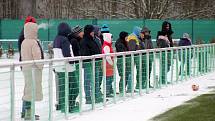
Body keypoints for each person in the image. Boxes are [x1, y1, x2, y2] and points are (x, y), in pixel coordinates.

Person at [19, 16, 43, 120]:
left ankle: (26, 112)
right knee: (30, 91)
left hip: (26, 67)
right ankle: (28, 113)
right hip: (33, 69)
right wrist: (41, 65)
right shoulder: (33, 42)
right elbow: (37, 57)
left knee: (27, 89)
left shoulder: (24, 41)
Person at [53, 22, 79, 113]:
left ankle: (64, 106)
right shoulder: (64, 39)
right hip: (67, 67)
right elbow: (67, 54)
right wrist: (73, 61)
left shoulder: (56, 39)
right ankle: (70, 106)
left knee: (63, 88)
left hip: (59, 67)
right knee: (74, 87)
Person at [80, 25, 103, 104]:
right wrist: (92, 57)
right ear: (89, 32)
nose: (93, 32)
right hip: (89, 63)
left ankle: (96, 96)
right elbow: (85, 53)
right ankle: (88, 97)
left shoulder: (93, 39)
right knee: (88, 80)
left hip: (95, 62)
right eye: (92, 31)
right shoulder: (84, 41)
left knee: (96, 80)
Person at [127, 26, 143, 91]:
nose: (140, 33)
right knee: (130, 73)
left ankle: (130, 87)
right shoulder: (133, 38)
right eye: (139, 31)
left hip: (133, 57)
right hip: (132, 57)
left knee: (131, 72)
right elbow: (132, 49)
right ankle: (130, 88)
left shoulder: (135, 37)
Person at [102, 33, 114, 97]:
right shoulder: (106, 46)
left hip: (109, 65)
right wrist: (112, 63)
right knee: (108, 79)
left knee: (109, 78)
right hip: (107, 65)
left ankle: (108, 91)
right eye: (111, 38)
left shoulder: (108, 45)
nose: (112, 39)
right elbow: (108, 57)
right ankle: (107, 92)